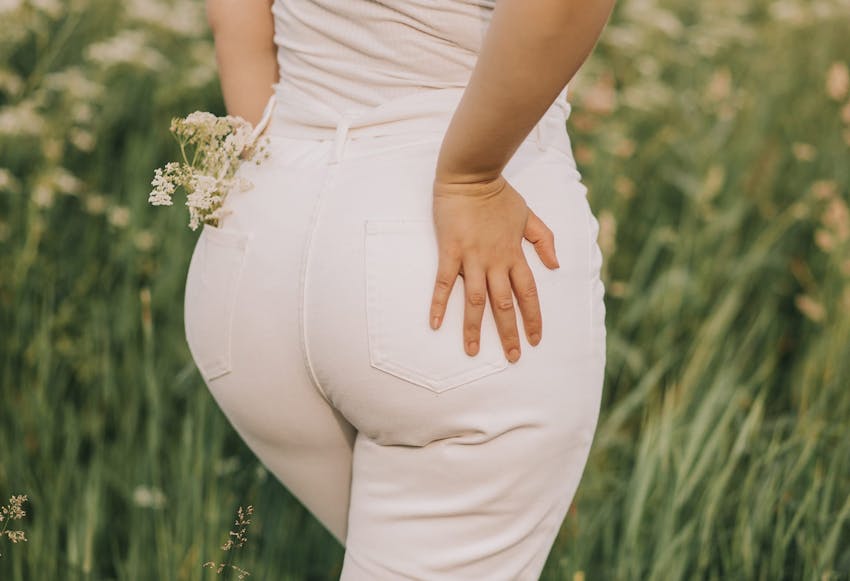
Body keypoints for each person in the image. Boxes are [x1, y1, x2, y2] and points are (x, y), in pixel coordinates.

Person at [186, 0, 613, 578]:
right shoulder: (467, 182)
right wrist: (472, 179)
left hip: (259, 238)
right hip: (449, 224)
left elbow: (232, 16)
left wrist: (274, 170)